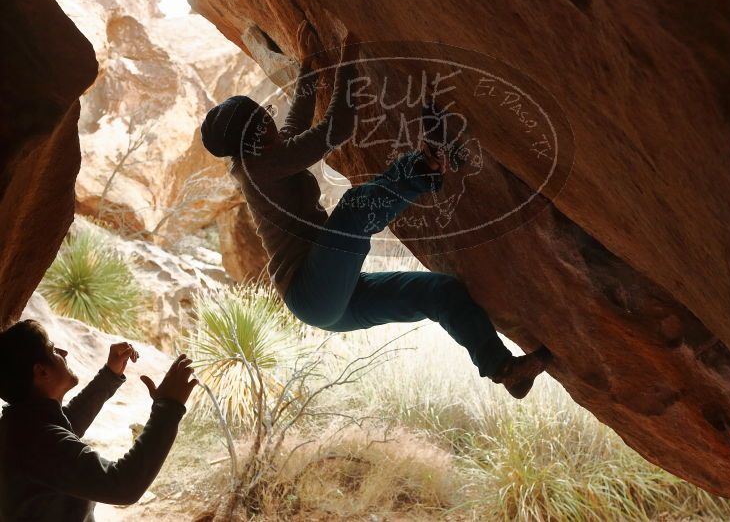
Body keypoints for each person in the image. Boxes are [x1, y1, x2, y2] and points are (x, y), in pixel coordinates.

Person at [200, 21, 551, 399]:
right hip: (311, 290)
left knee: (440, 292)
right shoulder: (259, 166)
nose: (271, 119)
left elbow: (295, 125)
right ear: (251, 136)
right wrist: (348, 60)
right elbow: (336, 129)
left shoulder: (262, 154)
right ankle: (428, 165)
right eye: (263, 118)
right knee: (353, 207)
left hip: (331, 299)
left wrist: (309, 65)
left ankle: (504, 368)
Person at [0, 319, 198, 522]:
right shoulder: (36, 440)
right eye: (53, 350)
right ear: (42, 372)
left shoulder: (19, 424)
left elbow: (68, 424)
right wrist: (168, 408)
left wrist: (109, 375)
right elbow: (122, 486)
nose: (64, 353)